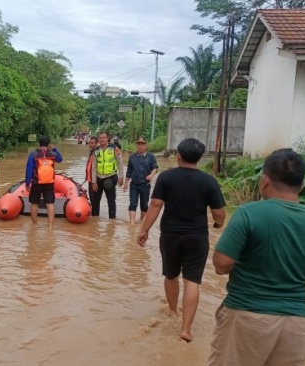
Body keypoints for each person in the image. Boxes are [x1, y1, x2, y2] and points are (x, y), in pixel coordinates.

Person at [208, 148, 305, 365]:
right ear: (302, 185)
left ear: (264, 180)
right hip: (296, 324)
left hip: (247, 314)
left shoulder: (249, 213)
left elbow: (221, 264)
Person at [137, 138, 226, 342]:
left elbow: (156, 205)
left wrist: (144, 230)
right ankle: (186, 329)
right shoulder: (209, 181)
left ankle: (172, 312)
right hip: (197, 236)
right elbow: (219, 214)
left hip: (170, 235)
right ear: (200, 158)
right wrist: (217, 225)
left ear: (178, 155)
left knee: (171, 275)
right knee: (192, 281)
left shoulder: (166, 177)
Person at [25, 136, 63, 229]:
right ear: (48, 144)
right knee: (50, 203)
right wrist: (54, 148)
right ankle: (50, 226)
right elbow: (60, 159)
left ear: (39, 144)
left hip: (36, 182)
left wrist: (27, 183)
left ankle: (34, 225)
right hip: (49, 182)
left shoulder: (33, 154)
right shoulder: (53, 153)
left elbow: (29, 168)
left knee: (34, 203)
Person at [124, 137, 158, 224]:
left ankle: (141, 221)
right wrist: (126, 182)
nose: (140, 146)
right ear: (136, 146)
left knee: (144, 205)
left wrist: (151, 175)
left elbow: (155, 167)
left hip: (145, 185)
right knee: (133, 203)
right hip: (134, 185)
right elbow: (129, 170)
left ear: (146, 146)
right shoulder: (132, 157)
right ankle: (132, 223)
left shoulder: (151, 157)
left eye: (142, 144)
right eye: (139, 144)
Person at [91, 132, 124, 219]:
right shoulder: (96, 151)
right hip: (99, 178)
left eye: (104, 138)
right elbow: (93, 167)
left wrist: (121, 177)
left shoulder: (114, 149)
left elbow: (120, 164)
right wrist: (93, 182)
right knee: (95, 201)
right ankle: (95, 219)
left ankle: (112, 221)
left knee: (111, 200)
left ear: (107, 138)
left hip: (110, 177)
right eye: (100, 138)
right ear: (98, 139)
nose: (102, 139)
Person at [84, 136, 99, 210]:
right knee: (92, 198)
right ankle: (94, 217)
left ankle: (95, 215)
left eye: (92, 143)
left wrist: (95, 180)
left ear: (97, 143)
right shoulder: (92, 151)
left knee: (94, 199)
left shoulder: (98, 152)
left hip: (94, 180)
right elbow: (90, 165)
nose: (90, 144)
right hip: (90, 179)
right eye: (89, 143)